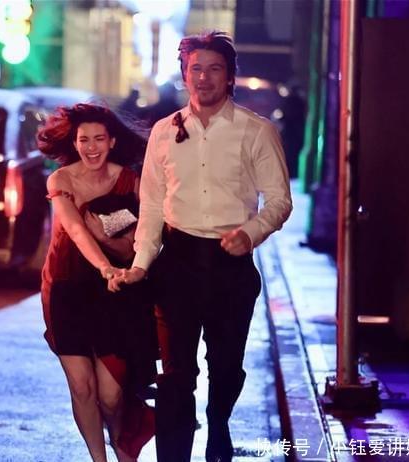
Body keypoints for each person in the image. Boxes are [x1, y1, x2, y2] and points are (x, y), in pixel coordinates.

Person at [110, 31, 293, 462]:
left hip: (231, 266)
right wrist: (141, 264)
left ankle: (219, 423)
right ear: (185, 74)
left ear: (229, 77)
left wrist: (251, 232)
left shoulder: (256, 131)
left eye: (214, 69)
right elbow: (152, 204)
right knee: (176, 373)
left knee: (226, 367)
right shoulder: (163, 132)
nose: (204, 78)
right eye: (196, 69)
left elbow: (279, 200)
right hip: (177, 264)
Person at [37, 103, 157, 462]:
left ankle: (123, 446)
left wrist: (115, 256)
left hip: (117, 293)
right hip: (66, 288)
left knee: (111, 394)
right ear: (74, 143)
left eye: (99, 139)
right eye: (84, 140)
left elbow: (142, 238)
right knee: (82, 388)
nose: (91, 147)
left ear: (112, 141)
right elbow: (76, 230)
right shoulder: (60, 180)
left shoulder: (131, 181)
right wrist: (105, 267)